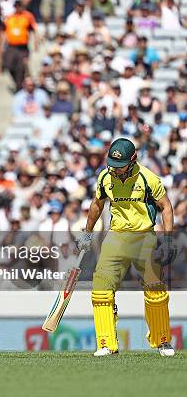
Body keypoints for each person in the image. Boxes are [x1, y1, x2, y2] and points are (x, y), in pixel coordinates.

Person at [76, 138, 177, 357]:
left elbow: (166, 207)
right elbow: (97, 204)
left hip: (144, 237)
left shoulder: (148, 178)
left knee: (155, 290)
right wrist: (87, 232)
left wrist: (168, 240)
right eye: (112, 164)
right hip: (117, 237)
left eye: (120, 166)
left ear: (133, 160)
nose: (116, 170)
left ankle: (162, 341)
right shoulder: (105, 177)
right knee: (101, 289)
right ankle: (106, 343)